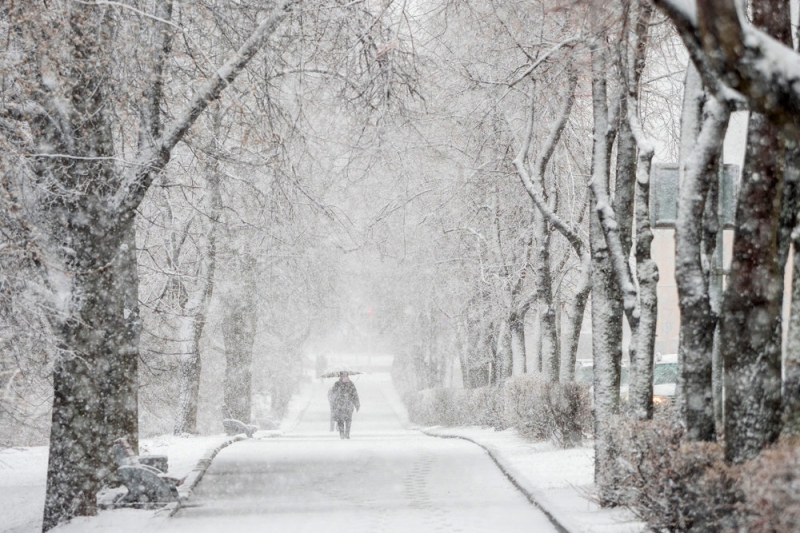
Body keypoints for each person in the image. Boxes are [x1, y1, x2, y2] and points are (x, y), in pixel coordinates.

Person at [329, 371, 360, 439]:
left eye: (346, 374)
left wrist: (357, 404)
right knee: (340, 420)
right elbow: (333, 394)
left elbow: (354, 394)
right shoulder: (337, 384)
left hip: (349, 405)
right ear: (340, 375)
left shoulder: (351, 384)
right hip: (340, 405)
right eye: (343, 374)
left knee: (348, 420)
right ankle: (342, 434)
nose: (344, 376)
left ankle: (347, 433)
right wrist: (334, 403)